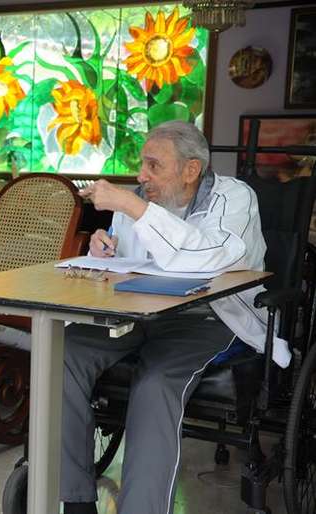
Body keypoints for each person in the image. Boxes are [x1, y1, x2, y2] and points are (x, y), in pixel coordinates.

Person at [61, 120, 290, 514]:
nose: (141, 175)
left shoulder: (234, 198)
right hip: (143, 312)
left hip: (210, 317)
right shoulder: (143, 200)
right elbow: (132, 262)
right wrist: (106, 251)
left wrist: (133, 206)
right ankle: (75, 498)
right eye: (141, 165)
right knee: (64, 352)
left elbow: (208, 257)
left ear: (191, 169)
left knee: (155, 382)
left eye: (153, 166)